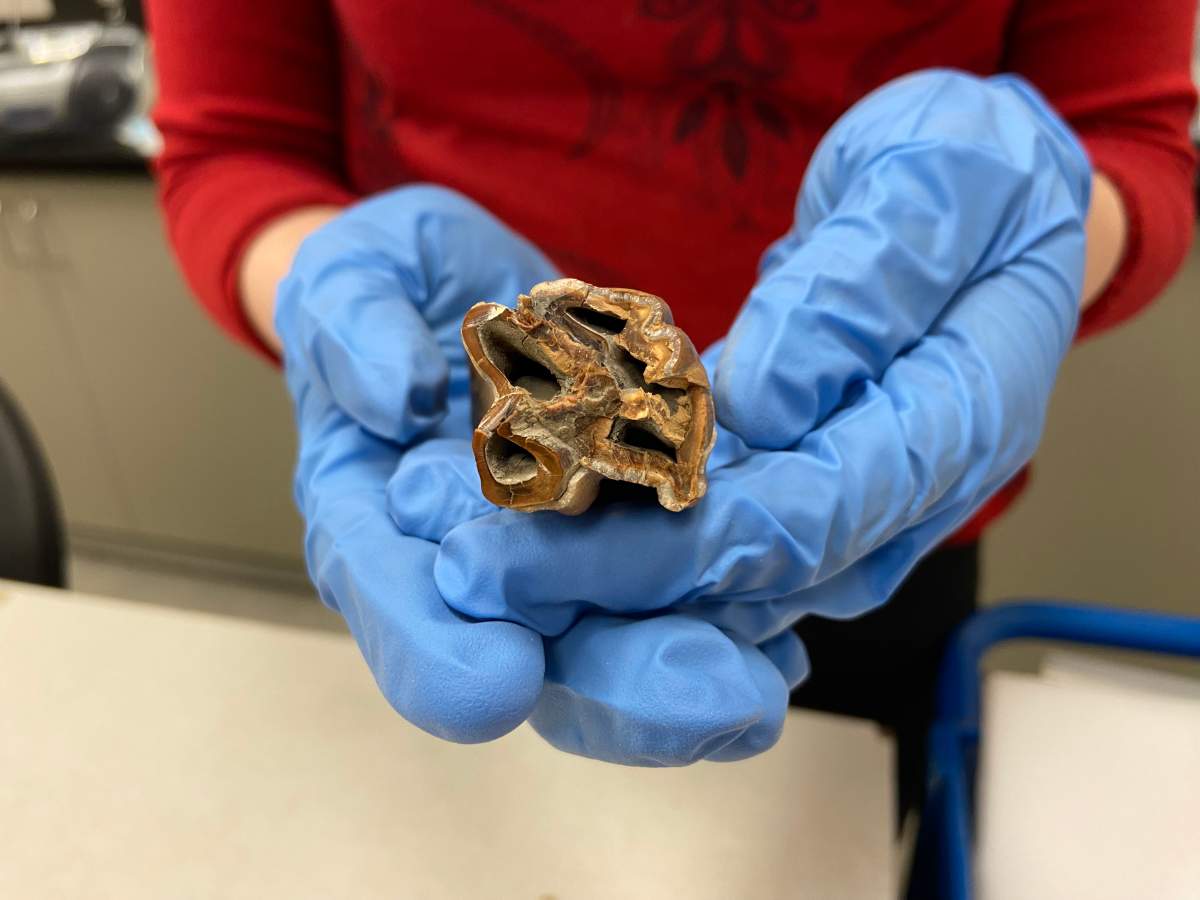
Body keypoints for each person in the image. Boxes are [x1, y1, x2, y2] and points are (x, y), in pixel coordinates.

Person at [145, 2, 1196, 818]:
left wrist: (1038, 230)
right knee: (486, 769)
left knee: (832, 806)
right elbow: (231, 144)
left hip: (886, 476)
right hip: (456, 473)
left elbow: (1129, 136)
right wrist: (322, 283)